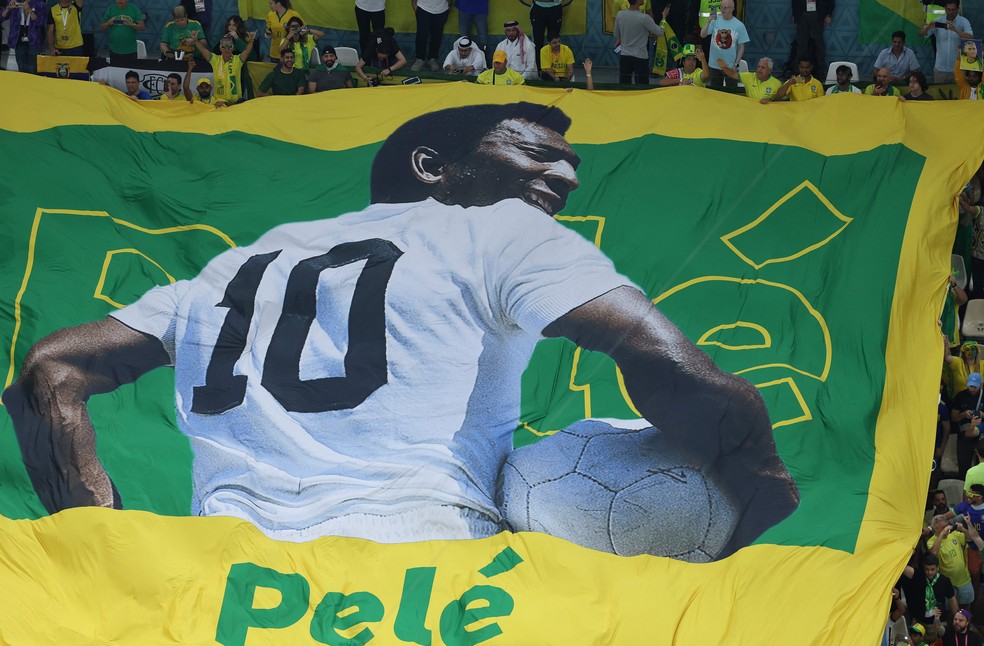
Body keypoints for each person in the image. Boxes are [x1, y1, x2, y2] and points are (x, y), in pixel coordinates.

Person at [3, 102, 798, 559]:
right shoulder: (497, 233)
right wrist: (759, 477)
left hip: (236, 590)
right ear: (432, 167)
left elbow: (51, 369)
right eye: (537, 153)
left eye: (570, 165)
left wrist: (91, 534)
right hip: (428, 572)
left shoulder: (227, 271)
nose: (562, 175)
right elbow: (661, 362)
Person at [192, 30, 256, 105]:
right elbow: (203, 50)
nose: (226, 50)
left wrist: (251, 41)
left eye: (229, 47)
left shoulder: (237, 60)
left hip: (235, 102)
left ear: (232, 48)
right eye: (223, 47)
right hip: (220, 102)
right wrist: (196, 41)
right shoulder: (215, 60)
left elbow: (247, 51)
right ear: (220, 48)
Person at [919, 0, 973, 84]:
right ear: (945, 9)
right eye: (948, 9)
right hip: (940, 69)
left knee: (959, 95)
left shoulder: (963, 21)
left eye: (953, 9)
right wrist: (928, 27)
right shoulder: (938, 21)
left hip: (958, 68)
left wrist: (955, 30)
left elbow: (970, 37)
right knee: (940, 95)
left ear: (958, 9)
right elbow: (921, 34)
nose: (950, 12)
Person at [614, 0, 666, 85]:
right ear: (638, 2)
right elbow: (660, 32)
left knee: (624, 86)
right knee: (642, 87)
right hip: (640, 57)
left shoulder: (620, 14)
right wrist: (664, 18)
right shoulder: (644, 18)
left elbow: (616, 33)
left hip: (625, 56)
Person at [700, 0, 748, 87]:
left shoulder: (739, 25)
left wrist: (736, 64)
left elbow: (741, 47)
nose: (722, 10)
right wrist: (708, 22)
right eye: (721, 7)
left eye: (725, 8)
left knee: (731, 92)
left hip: (730, 66)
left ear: (732, 9)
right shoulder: (715, 20)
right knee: (715, 93)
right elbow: (702, 35)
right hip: (714, 65)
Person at [950, 372, 984, 478]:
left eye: (975, 387)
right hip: (964, 436)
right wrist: (964, 414)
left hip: (981, 436)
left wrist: (982, 415)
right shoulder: (960, 396)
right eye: (971, 386)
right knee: (964, 469)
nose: (973, 389)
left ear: (981, 385)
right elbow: (954, 417)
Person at [519, 0, 573, 65]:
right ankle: (539, 68)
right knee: (537, 41)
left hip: (555, 9)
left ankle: (553, 67)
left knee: (554, 40)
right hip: (538, 8)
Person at [3, 0, 45, 74]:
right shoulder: (13, 2)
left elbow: (40, 23)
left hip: (33, 39)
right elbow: (2, 17)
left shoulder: (39, 3)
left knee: (32, 70)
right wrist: (8, 8)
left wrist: (29, 11)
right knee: (21, 69)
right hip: (18, 38)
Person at [791, 0, 833, 72]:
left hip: (818, 13)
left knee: (818, 42)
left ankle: (820, 68)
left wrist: (828, 15)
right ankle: (799, 69)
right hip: (802, 13)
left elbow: (831, 1)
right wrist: (795, 14)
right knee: (801, 43)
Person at [99, 0, 145, 65]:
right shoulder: (110, 9)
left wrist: (131, 24)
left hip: (130, 50)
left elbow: (142, 27)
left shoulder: (134, 9)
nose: (120, 1)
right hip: (114, 50)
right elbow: (101, 28)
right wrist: (107, 23)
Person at [409, 0, 449, 72]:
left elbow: (450, 2)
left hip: (442, 10)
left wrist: (447, 7)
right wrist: (416, 9)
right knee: (421, 35)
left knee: (437, 36)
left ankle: (432, 59)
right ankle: (419, 59)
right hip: (423, 8)